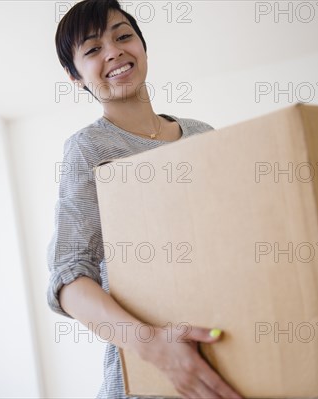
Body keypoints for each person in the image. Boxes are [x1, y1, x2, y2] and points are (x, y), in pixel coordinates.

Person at [47, 1, 242, 398]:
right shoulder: (89, 148)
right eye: (92, 49)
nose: (114, 52)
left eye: (123, 36)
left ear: (143, 47)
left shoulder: (203, 135)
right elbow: (68, 275)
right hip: (147, 375)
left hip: (229, 351)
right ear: (74, 76)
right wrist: (154, 347)